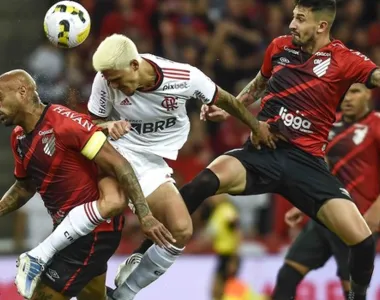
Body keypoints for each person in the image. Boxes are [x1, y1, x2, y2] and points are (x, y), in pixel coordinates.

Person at [120, 1, 380, 299]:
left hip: (307, 163)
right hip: (262, 152)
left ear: (321, 26)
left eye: (300, 19)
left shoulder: (345, 59)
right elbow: (260, 82)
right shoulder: (279, 47)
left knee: (362, 242)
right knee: (203, 182)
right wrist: (233, 108)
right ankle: (141, 255)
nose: (292, 25)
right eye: (293, 17)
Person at [86, 33, 264, 300]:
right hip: (122, 150)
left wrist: (256, 126)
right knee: (109, 206)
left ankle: (123, 293)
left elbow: (224, 98)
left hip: (153, 159)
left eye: (118, 80)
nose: (113, 85)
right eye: (110, 80)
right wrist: (107, 125)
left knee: (181, 230)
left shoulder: (183, 77)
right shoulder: (104, 80)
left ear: (134, 65)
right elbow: (89, 127)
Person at [0, 69, 173, 300]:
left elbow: (119, 165)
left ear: (22, 92)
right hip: (68, 231)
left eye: (0, 97)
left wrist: (145, 215)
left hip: (94, 233)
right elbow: (24, 187)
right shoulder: (19, 137)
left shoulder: (63, 123)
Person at [272, 83, 380, 300]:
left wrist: (378, 211)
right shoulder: (329, 124)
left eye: (356, 92)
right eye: (345, 92)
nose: (348, 98)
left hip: (356, 220)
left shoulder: (377, 124)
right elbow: (323, 170)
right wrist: (302, 204)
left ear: (369, 93)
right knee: (287, 275)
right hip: (324, 215)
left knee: (352, 291)